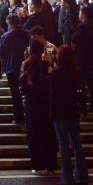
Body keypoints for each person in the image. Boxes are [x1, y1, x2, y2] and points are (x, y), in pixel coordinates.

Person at [47, 45, 89, 185]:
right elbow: (81, 92)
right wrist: (83, 109)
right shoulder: (75, 73)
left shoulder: (55, 74)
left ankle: (67, 178)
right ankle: (82, 176)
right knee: (76, 144)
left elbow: (44, 84)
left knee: (63, 145)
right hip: (72, 110)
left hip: (59, 111)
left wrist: (49, 64)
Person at [20, 39, 58, 175]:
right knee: (48, 132)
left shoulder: (26, 64)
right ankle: (51, 164)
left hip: (31, 102)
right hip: (46, 102)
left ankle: (38, 165)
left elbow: (22, 85)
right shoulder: (46, 64)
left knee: (34, 133)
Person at [0, 14, 30, 127]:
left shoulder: (5, 36)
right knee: (29, 92)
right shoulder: (27, 34)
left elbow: (1, 52)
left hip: (11, 67)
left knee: (15, 93)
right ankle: (30, 116)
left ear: (9, 23)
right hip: (27, 67)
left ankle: (18, 117)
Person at [71, 9, 93, 113]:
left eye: (80, 13)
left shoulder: (82, 26)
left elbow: (74, 39)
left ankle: (83, 106)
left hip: (82, 58)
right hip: (92, 58)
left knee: (81, 83)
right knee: (92, 83)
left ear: (84, 15)